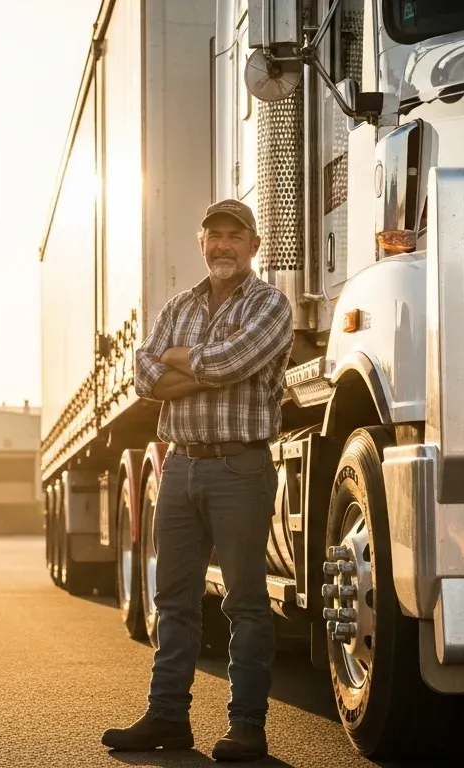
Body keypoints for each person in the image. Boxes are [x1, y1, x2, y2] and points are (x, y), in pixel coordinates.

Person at [101, 199, 293, 762]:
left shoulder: (270, 304)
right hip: (180, 464)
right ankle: (167, 717)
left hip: (240, 467)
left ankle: (247, 726)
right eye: (214, 236)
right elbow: (144, 374)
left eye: (235, 235)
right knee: (173, 600)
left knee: (245, 601)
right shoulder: (178, 306)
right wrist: (201, 368)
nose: (223, 245)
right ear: (201, 243)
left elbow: (234, 362)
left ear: (253, 245)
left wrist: (181, 363)